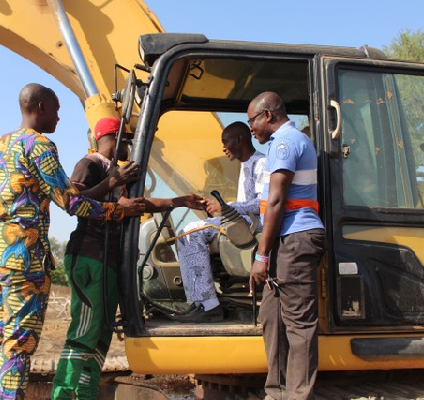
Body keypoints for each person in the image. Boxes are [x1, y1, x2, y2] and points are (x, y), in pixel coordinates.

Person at [0, 84, 138, 400]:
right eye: (56, 110)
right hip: (25, 258)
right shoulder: (39, 146)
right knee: (19, 341)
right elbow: (71, 202)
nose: (59, 118)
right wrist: (116, 210)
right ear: (40, 107)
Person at [51, 117, 206, 400]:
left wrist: (178, 201)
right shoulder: (91, 165)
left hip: (109, 260)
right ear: (114, 136)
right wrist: (113, 182)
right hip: (90, 255)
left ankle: (85, 394)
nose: (131, 146)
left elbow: (137, 206)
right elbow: (74, 200)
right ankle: (63, 395)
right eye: (128, 139)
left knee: (101, 335)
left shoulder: (116, 170)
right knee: (85, 330)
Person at [247, 92, 326, 400]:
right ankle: (276, 392)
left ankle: (296, 396)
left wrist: (262, 256)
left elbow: (277, 201)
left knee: (298, 325)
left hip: (294, 238)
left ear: (268, 115)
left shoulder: (283, 143)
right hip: (284, 239)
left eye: (251, 120)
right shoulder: (283, 143)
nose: (250, 127)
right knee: (272, 318)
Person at [173, 121, 265, 323]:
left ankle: (209, 306)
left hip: (256, 225)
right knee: (190, 231)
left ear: (239, 139)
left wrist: (226, 207)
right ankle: (200, 301)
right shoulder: (245, 166)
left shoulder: (261, 164)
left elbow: (264, 204)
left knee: (189, 233)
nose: (223, 147)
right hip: (243, 220)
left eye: (226, 141)